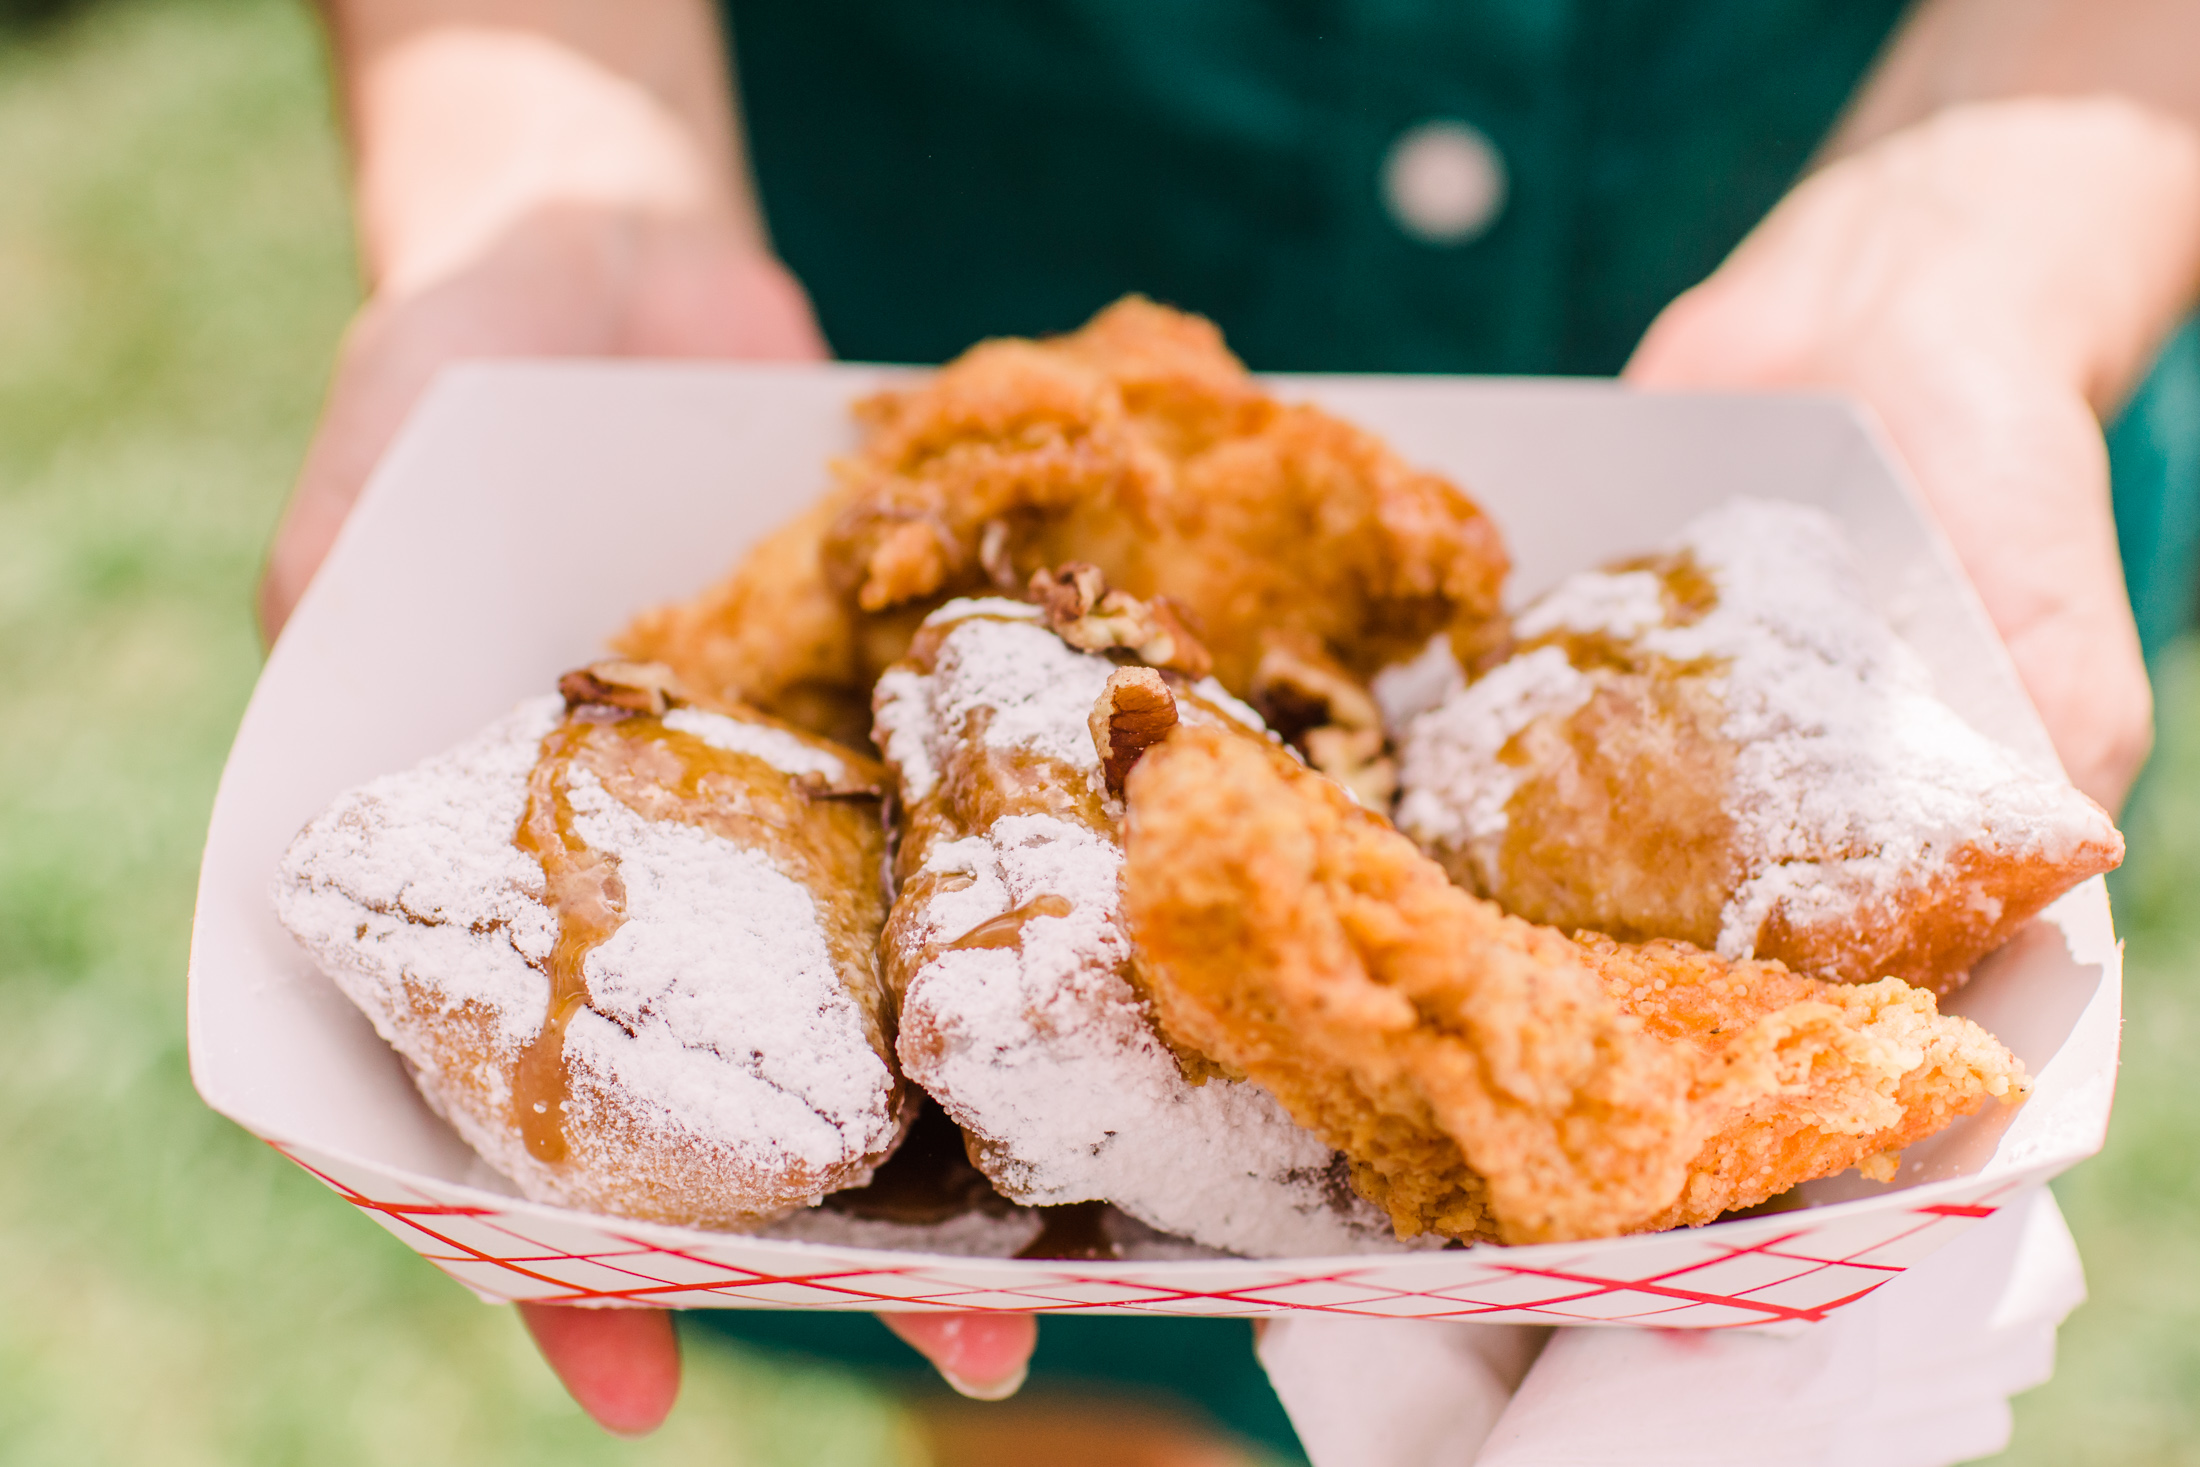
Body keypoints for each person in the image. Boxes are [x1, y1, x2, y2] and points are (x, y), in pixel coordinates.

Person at [260, 1, 2200, 1460]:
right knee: (1059, 1327)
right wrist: (542, 128)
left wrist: (1990, 199)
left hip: (1809, 170)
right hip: (959, 163)